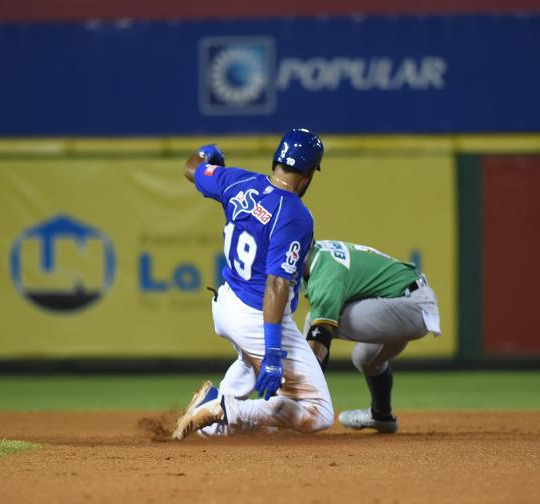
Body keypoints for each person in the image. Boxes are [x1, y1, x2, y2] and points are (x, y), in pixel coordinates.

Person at [172, 129, 333, 440]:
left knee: (248, 362)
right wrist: (273, 351)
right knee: (318, 411)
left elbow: (191, 168)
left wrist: (208, 154)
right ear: (310, 171)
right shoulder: (295, 214)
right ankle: (224, 408)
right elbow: (276, 284)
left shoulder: (237, 181)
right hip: (257, 315)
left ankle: (210, 420)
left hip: (226, 302)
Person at [302, 240, 441, 433]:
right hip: (403, 302)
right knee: (365, 359)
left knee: (315, 321)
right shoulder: (322, 254)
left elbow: (321, 334)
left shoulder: (323, 268)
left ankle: (303, 404)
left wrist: (301, 391)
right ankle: (382, 416)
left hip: (410, 305)